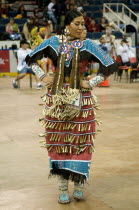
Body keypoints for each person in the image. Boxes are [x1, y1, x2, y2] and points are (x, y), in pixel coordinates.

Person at [25, 10, 116, 204]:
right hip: (56, 99)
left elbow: (109, 65)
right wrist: (42, 76)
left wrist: (91, 82)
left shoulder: (88, 44)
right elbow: (31, 59)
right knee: (59, 140)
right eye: (77, 23)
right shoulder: (52, 42)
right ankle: (62, 186)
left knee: (80, 140)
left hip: (81, 99)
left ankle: (80, 183)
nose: (81, 27)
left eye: (83, 23)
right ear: (67, 25)